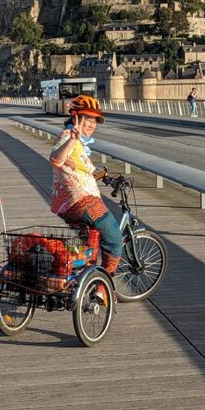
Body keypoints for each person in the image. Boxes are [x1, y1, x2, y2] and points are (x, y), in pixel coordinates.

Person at [49, 95, 122, 279]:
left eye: (94, 120)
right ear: (75, 117)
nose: (91, 124)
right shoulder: (67, 136)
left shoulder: (79, 143)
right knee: (113, 239)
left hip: (67, 204)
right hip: (82, 201)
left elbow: (79, 168)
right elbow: (56, 159)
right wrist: (73, 139)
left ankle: (78, 280)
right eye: (87, 119)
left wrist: (104, 176)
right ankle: (103, 289)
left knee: (90, 247)